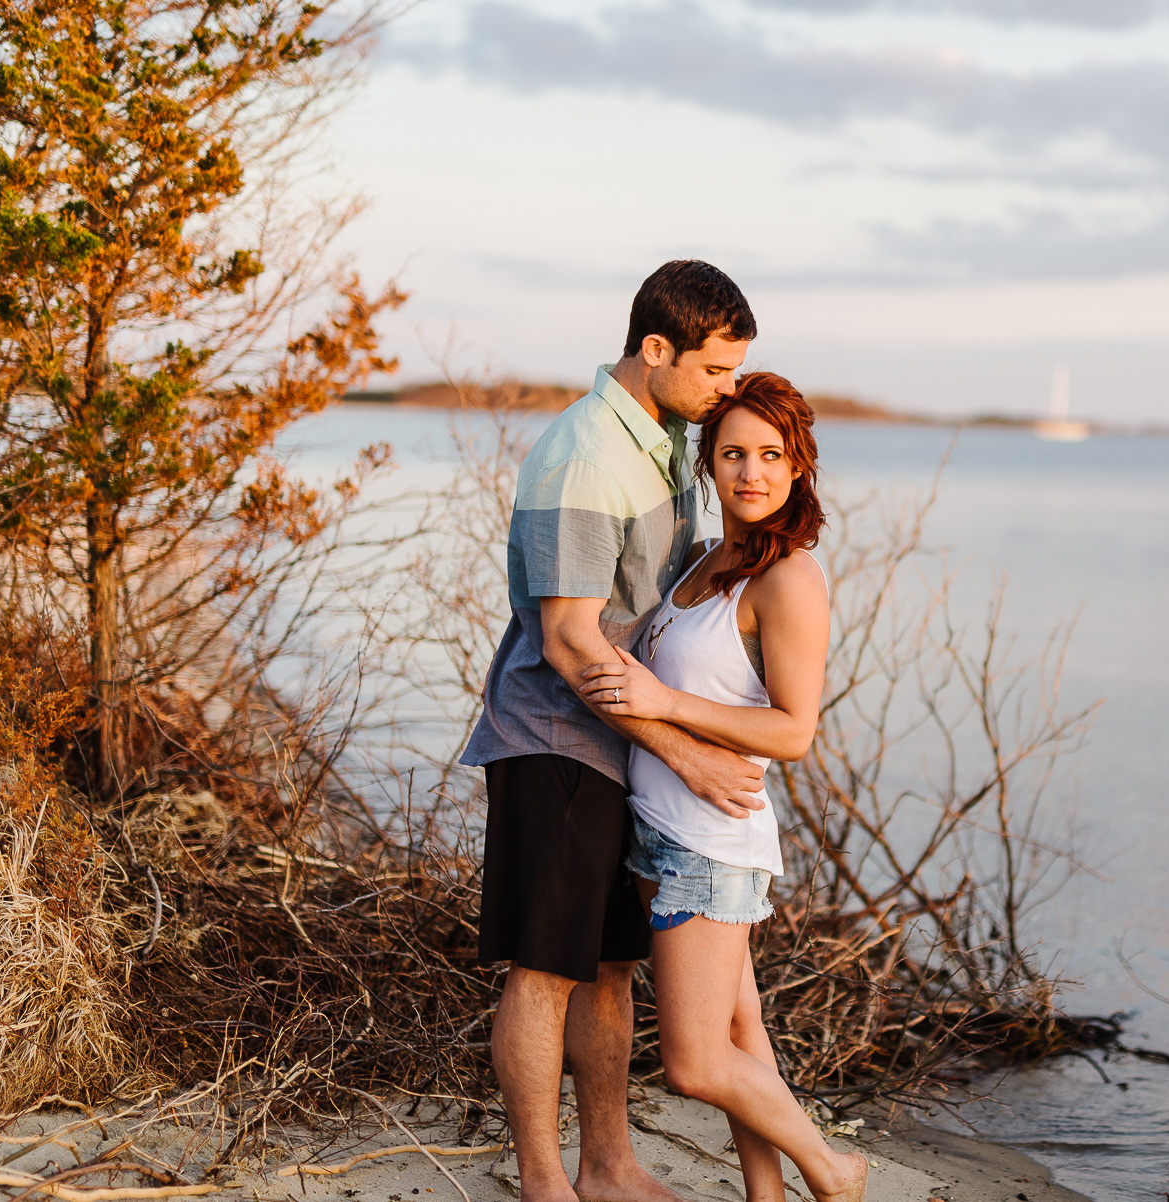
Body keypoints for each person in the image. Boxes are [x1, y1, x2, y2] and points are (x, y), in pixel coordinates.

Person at [462, 261, 770, 1202]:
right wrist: (683, 748)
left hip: (621, 746)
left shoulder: (665, 438)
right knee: (545, 970)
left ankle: (608, 1165)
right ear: (655, 350)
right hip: (557, 742)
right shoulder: (586, 457)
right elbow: (567, 641)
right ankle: (544, 1183)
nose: (728, 392)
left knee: (610, 966)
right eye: (717, 373)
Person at [576, 373, 870, 1202]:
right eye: (734, 452)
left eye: (771, 455)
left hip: (710, 841)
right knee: (743, 1033)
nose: (752, 472)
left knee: (695, 1062)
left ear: (798, 465)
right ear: (708, 462)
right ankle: (766, 1198)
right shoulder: (708, 558)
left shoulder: (790, 578)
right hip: (656, 826)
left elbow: (793, 730)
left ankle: (831, 1168)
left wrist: (664, 701)